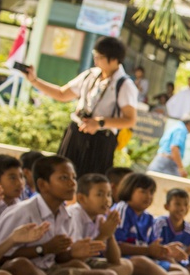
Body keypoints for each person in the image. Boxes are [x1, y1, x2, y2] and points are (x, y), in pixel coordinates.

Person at [0, 155, 120, 275]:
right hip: (28, 273)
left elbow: (59, 258)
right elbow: (1, 257)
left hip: (51, 271)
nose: (72, 183)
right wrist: (43, 249)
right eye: (64, 178)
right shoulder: (22, 212)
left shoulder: (65, 215)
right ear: (43, 184)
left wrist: (72, 252)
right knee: (20, 266)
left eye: (73, 177)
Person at [23, 37, 138, 176]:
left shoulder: (124, 85)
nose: (95, 60)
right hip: (76, 133)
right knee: (61, 176)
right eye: (95, 55)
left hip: (100, 141)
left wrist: (100, 123)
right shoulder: (91, 74)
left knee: (88, 185)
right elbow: (62, 94)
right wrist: (34, 81)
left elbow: (130, 120)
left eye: (100, 57)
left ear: (114, 60)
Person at [112, 173, 190, 275]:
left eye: (151, 193)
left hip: (147, 263)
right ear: (128, 190)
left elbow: (153, 248)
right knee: (141, 261)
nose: (148, 196)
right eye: (143, 191)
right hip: (126, 262)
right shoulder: (122, 209)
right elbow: (116, 246)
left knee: (183, 273)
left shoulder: (148, 218)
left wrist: (166, 251)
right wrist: (148, 250)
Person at [67, 173, 135, 275]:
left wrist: (110, 233)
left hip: (88, 264)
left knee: (127, 265)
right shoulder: (73, 215)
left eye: (109, 195)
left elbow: (115, 260)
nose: (107, 200)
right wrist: (104, 234)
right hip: (70, 263)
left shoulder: (99, 216)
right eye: (100, 194)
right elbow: (77, 258)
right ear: (82, 198)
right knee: (81, 267)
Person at [147, 113, 190, 178]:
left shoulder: (176, 126)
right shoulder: (181, 130)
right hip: (167, 163)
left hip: (160, 161)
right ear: (189, 124)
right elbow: (174, 148)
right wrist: (181, 168)